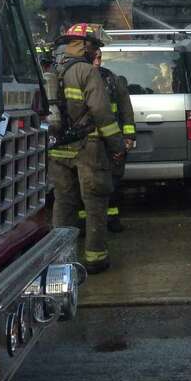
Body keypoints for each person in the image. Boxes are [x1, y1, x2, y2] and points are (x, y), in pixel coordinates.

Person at [47, 23, 126, 274]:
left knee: (63, 204)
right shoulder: (86, 72)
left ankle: (61, 262)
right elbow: (102, 113)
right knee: (95, 204)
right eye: (94, 46)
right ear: (83, 45)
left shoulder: (50, 71)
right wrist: (117, 146)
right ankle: (95, 258)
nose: (96, 52)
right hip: (88, 148)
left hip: (57, 149)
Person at [92, 36, 135, 234]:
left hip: (112, 141)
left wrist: (128, 137)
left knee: (114, 183)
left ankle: (113, 218)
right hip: (90, 143)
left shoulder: (112, 79)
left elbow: (126, 111)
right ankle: (87, 223)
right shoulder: (78, 80)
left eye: (100, 58)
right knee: (90, 185)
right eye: (94, 57)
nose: (97, 62)